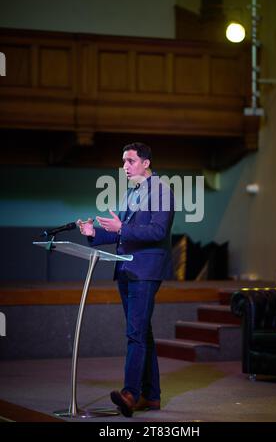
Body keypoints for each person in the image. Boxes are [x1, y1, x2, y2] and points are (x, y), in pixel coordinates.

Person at [77, 142, 174, 417]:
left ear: (146, 162)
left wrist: (123, 228)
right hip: (126, 270)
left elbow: (157, 231)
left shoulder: (161, 191)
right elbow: (121, 233)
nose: (125, 167)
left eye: (130, 161)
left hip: (145, 270)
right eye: (123, 162)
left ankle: (130, 393)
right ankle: (151, 397)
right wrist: (94, 233)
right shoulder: (133, 194)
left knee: (135, 334)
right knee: (143, 333)